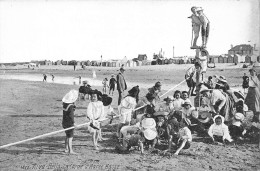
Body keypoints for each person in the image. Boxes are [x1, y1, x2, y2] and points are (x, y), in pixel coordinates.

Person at [62, 89, 78, 154]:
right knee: (70, 137)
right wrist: (74, 123)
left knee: (67, 135)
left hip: (64, 122)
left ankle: (66, 148)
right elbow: (71, 116)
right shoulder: (70, 106)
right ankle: (70, 150)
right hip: (69, 123)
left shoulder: (65, 105)